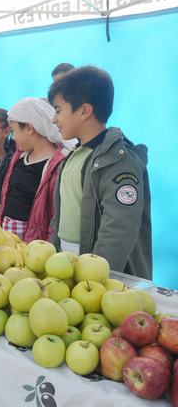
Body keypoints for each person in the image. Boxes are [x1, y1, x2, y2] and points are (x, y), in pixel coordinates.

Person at [48, 66, 151, 279]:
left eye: (58, 110)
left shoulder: (120, 161)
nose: (53, 119)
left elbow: (118, 231)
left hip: (98, 278)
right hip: (67, 270)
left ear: (85, 111)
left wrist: (94, 281)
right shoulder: (74, 155)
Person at [0, 98, 72, 241]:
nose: (13, 138)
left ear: (29, 128)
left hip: (35, 245)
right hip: (7, 240)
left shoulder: (57, 166)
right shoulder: (18, 158)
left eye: (14, 131)